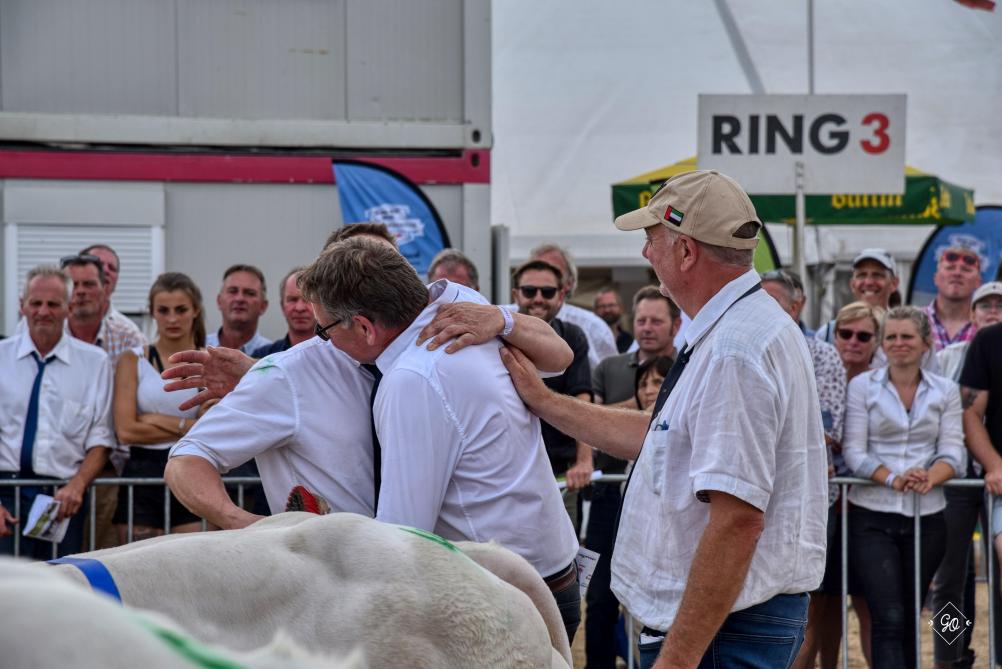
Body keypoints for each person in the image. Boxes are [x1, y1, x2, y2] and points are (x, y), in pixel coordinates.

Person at [500, 170, 827, 669]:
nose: (645, 254)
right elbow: (661, 434)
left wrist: (676, 660)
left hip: (725, 630)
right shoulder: (741, 326)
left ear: (687, 251)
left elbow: (738, 518)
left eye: (652, 239)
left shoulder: (735, 349)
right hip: (731, 623)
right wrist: (546, 402)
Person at [164, 226, 573, 529]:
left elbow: (560, 356)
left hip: (452, 577)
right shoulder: (290, 374)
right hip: (345, 589)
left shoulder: (452, 322)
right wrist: (250, 528)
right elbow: (186, 461)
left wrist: (501, 318)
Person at [297, 237, 582, 643]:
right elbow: (560, 356)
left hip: (504, 601)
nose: (325, 343)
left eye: (323, 331)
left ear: (363, 326)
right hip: (547, 575)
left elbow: (404, 535)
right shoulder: (458, 303)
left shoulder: (413, 380)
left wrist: (327, 543)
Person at [842, 306, 964, 669]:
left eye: (907, 336)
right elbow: (853, 451)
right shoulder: (862, 387)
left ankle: (949, 657)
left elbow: (953, 451)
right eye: (891, 337)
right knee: (889, 616)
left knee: (911, 614)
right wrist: (893, 478)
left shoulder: (946, 390)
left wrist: (930, 476)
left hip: (927, 517)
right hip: (872, 515)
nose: (898, 344)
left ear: (925, 344)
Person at [585, 285, 680, 669]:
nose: (647, 328)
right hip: (611, 496)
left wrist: (622, 415)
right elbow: (592, 422)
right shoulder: (609, 367)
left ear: (675, 326)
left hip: (666, 499)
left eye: (656, 321)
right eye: (641, 320)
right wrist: (643, 409)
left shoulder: (687, 367)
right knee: (599, 595)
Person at [762, 269, 848, 669]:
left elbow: (827, 426)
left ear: (798, 306)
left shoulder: (823, 353)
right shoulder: (744, 347)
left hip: (812, 495)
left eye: (774, 300)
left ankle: (953, 656)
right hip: (759, 492)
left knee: (813, 594)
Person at [0, 265, 114, 558]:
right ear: (22, 306)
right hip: (4, 494)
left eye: (53, 304)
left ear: (69, 307)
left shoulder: (95, 363)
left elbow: (101, 439)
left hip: (62, 501)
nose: (43, 311)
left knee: (58, 590)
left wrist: (77, 486)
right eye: (35, 303)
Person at [808, 301, 883, 669]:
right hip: (832, 505)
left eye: (863, 335)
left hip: (883, 506)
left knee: (942, 597)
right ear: (833, 335)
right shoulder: (815, 372)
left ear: (876, 341)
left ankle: (952, 659)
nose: (853, 341)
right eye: (845, 333)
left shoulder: (887, 379)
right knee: (823, 600)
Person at [111, 273, 208, 542]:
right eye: (163, 311)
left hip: (193, 467)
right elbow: (126, 431)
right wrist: (185, 426)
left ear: (195, 310)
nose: (172, 319)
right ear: (152, 313)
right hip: (141, 472)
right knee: (136, 571)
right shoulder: (134, 359)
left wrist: (151, 418)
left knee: (191, 567)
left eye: (181, 310)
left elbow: (210, 429)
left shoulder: (211, 360)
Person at [60, 253, 146, 550]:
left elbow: (138, 404)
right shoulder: (43, 330)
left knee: (100, 559)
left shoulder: (128, 336)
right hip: (54, 471)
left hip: (109, 471)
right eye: (73, 284)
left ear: (105, 287)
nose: (80, 291)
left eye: (88, 284)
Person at [512, 259, 594, 529]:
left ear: (561, 296)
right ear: (515, 294)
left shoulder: (573, 336)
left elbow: (582, 398)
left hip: (559, 473)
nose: (538, 298)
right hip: (508, 475)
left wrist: (584, 461)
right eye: (529, 290)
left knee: (566, 561)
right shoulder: (496, 336)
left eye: (547, 292)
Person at [526, 242, 619, 367]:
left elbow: (611, 375)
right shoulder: (506, 319)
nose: (543, 277)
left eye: (554, 272)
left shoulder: (594, 327)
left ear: (568, 284)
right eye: (536, 269)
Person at [816, 248, 898, 344]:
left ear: (894, 284)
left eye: (877, 275)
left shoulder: (903, 331)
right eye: (862, 275)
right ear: (852, 284)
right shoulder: (828, 333)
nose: (868, 282)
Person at [923, 243, 982, 351]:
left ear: (978, 282)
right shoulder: (914, 320)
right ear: (936, 278)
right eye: (950, 268)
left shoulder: (985, 324)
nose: (957, 273)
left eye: (966, 270)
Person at [80, 243, 146, 340]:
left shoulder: (130, 335)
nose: (106, 270)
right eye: (99, 265)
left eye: (112, 268)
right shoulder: (58, 323)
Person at [250, 267, 316, 358]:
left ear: (321, 305)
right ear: (282, 306)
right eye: (292, 300)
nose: (299, 308)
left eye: (307, 299)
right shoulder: (262, 357)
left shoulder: (338, 354)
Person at [206, 264, 271, 354]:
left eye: (250, 293)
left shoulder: (274, 357)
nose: (239, 299)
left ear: (263, 306)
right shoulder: (197, 347)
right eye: (232, 291)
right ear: (219, 301)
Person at [594, 287, 634, 353]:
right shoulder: (588, 339)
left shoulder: (629, 340)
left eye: (611, 305)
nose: (607, 310)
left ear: (621, 308)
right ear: (595, 310)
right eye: (602, 306)